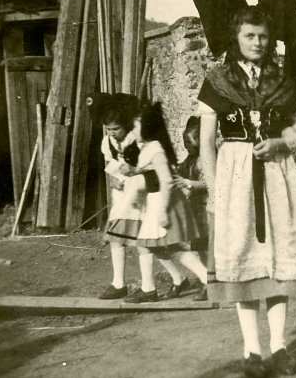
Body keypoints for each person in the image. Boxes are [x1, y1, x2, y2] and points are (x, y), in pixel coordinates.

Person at [199, 6, 296, 378]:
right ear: (236, 39)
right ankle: (251, 350)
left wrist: (280, 142)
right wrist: (215, 193)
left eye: (263, 36)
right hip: (235, 176)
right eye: (249, 35)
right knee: (242, 259)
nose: (257, 42)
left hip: (277, 174)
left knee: (277, 258)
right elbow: (206, 144)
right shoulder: (217, 81)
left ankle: (279, 346)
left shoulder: (282, 81)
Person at [119, 103, 208, 303]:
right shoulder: (149, 147)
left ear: (147, 128)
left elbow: (166, 180)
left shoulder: (156, 149)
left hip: (164, 200)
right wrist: (133, 171)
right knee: (152, 245)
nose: (133, 131)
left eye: (136, 127)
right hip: (156, 199)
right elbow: (148, 170)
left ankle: (204, 279)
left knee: (168, 246)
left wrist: (163, 211)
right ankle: (161, 285)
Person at [89, 93, 146, 300]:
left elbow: (150, 164)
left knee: (143, 240)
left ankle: (150, 285)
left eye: (116, 129)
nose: (112, 133)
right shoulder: (109, 142)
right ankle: (118, 283)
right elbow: (111, 163)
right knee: (116, 237)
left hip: (139, 191)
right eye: (109, 129)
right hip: (121, 193)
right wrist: (113, 177)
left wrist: (134, 172)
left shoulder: (137, 139)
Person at [175, 116, 210, 302]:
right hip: (195, 209)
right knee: (200, 246)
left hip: (206, 207)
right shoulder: (190, 159)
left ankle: (210, 282)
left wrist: (187, 183)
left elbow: (208, 183)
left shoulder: (204, 159)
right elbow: (180, 170)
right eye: (184, 141)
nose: (185, 145)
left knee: (206, 246)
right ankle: (208, 279)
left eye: (189, 142)